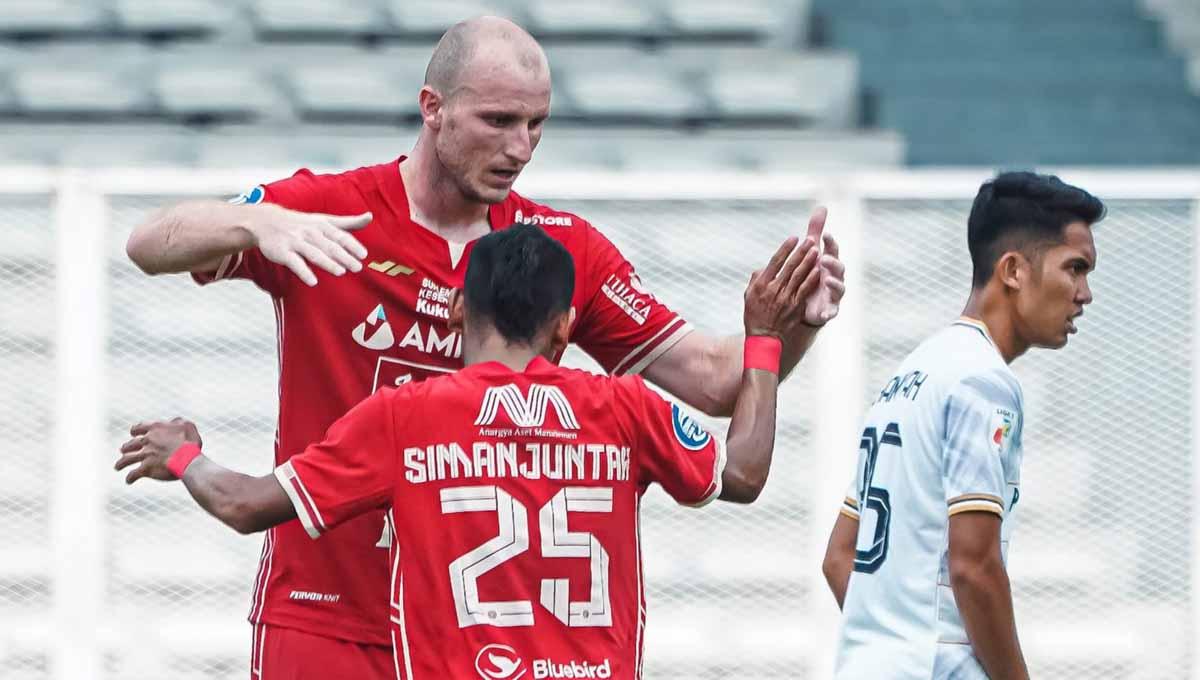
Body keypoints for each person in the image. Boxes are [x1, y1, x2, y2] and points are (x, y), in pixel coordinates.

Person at [123, 15, 845, 679]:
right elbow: (147, 243)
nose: (520, 148)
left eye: (537, 124)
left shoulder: (556, 253)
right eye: (498, 120)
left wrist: (796, 324)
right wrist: (254, 224)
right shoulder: (326, 212)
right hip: (329, 615)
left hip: (479, 638)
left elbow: (720, 384)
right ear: (432, 108)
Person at [116, 223, 817, 679]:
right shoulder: (623, 407)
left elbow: (243, 505)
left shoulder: (406, 418)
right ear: (567, 326)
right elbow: (745, 472)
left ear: (457, 308)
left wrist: (183, 454)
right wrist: (764, 335)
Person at [820, 171, 1104, 680]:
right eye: (1075, 269)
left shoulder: (908, 375)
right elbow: (973, 567)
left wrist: (893, 644)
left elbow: (840, 557)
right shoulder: (983, 382)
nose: (1085, 294)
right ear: (1014, 270)